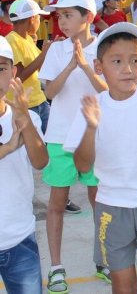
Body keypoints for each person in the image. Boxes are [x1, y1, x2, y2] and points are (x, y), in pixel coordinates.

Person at [64, 22, 137, 294]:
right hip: (111, 208)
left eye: (134, 60)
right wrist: (92, 128)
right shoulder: (93, 108)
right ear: (99, 66)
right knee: (123, 285)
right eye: (117, 61)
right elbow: (83, 166)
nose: (128, 69)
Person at [38, 0, 109, 292]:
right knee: (56, 203)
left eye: (68, 15)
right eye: (59, 16)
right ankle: (56, 267)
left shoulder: (104, 49)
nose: (62, 21)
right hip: (59, 136)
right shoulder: (56, 49)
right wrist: (70, 65)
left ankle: (103, 259)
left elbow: (108, 92)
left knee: (100, 201)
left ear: (88, 17)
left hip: (93, 136)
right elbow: (49, 94)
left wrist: (84, 66)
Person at [0, 47, 48, 294]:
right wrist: (7, 148)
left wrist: (24, 119)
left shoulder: (27, 117)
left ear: (13, 73)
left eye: (1, 68)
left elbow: (40, 161)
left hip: (19, 238)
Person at [6, 0, 53, 135]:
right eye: (39, 18)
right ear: (32, 19)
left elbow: (40, 67)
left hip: (40, 101)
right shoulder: (12, 41)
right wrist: (44, 53)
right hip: (26, 106)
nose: (40, 22)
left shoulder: (27, 39)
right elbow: (19, 77)